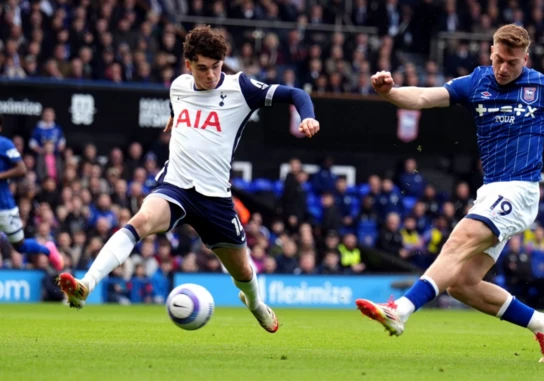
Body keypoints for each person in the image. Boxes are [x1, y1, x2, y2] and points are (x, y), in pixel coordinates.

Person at [355, 24, 544, 362]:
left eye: (511, 62)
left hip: (520, 188)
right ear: (491, 52)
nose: (502, 68)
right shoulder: (477, 82)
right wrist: (390, 93)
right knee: (462, 284)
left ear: (525, 58)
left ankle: (401, 310)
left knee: (459, 239)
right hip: (491, 192)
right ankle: (543, 324)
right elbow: (425, 97)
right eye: (498, 59)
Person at [56, 26, 320, 333]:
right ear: (188, 66)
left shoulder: (242, 89)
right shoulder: (179, 86)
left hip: (215, 198)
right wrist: (173, 116)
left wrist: (308, 115)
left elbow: (296, 93)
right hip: (176, 187)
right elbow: (176, 103)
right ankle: (86, 285)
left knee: (243, 271)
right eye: (202, 68)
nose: (210, 75)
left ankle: (256, 304)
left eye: (216, 67)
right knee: (140, 221)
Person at [0, 115, 63, 271]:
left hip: (4, 207)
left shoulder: (4, 144)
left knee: (20, 246)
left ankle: (47, 249)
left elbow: (22, 169)